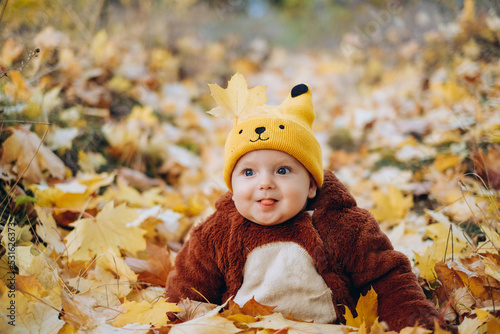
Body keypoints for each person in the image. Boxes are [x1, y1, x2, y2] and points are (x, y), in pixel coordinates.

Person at [165, 78, 453, 332]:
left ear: (312, 184)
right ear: (232, 184)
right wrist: (177, 318)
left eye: (282, 170)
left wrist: (417, 321)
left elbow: (387, 280)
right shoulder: (217, 231)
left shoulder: (342, 225)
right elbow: (189, 289)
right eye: (248, 172)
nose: (264, 183)